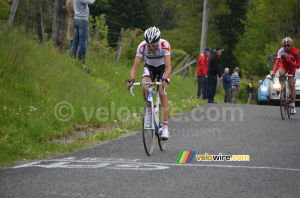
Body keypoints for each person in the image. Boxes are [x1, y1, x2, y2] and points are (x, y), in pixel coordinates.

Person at [126, 27, 171, 140]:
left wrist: (164, 79)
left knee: (161, 92)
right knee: (145, 87)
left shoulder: (165, 45)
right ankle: (150, 112)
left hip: (162, 69)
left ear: (158, 41)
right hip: (149, 68)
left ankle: (165, 126)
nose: (151, 47)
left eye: (154, 45)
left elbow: (168, 67)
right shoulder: (142, 46)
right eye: (149, 45)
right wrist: (131, 79)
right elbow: (135, 67)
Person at [271, 37, 300, 114]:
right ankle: (282, 88)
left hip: (293, 68)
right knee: (280, 72)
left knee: (291, 84)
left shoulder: (296, 52)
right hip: (284, 66)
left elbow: (298, 66)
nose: (286, 47)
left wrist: (289, 59)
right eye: (285, 46)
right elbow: (277, 62)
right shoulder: (281, 51)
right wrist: (273, 72)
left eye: (288, 45)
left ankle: (293, 106)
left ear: (291, 45)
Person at [70, 0, 95, 67]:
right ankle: (81, 61)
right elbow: (91, 2)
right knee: (83, 42)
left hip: (76, 19)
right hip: (82, 20)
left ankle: (72, 58)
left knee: (75, 41)